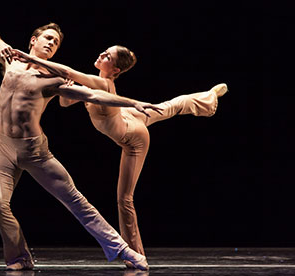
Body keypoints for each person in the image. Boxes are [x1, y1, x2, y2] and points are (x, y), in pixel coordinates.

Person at [12, 45, 228, 267]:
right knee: (170, 106)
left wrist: (30, 58)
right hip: (128, 115)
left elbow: (67, 71)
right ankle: (209, 97)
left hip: (134, 137)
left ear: (114, 70)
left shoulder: (104, 83)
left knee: (124, 199)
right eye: (104, 51)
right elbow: (65, 102)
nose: (101, 54)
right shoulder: (94, 81)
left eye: (107, 56)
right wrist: (68, 89)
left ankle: (136, 254)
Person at [0, 23, 162, 271]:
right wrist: (0, 43)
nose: (51, 44)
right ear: (33, 40)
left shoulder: (54, 79)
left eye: (55, 43)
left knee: (77, 202)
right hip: (4, 150)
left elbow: (94, 96)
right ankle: (19, 257)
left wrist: (131, 102)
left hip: (35, 152)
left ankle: (122, 250)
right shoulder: (10, 62)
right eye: (47, 38)